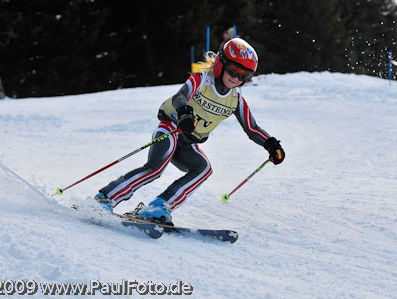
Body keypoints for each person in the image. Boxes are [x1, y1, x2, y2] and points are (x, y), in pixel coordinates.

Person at [95, 38, 285, 225]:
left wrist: (271, 144)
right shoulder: (202, 79)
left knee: (203, 169)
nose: (236, 78)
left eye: (243, 75)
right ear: (221, 64)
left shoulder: (236, 99)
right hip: (171, 128)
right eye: (233, 70)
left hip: (188, 141)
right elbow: (181, 96)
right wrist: (185, 113)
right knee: (155, 168)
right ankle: (105, 198)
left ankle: (158, 207)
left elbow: (251, 128)